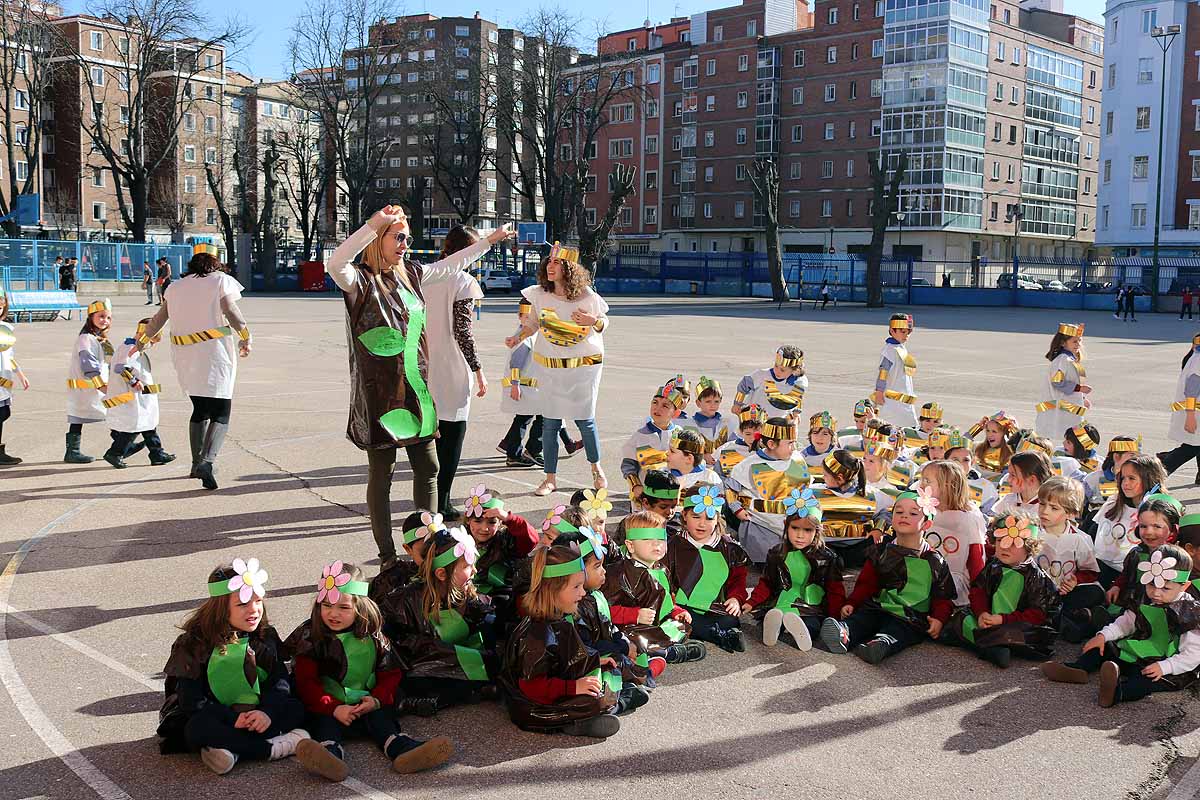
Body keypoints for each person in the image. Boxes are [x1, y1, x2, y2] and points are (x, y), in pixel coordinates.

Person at [324, 205, 512, 566]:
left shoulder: (412, 272)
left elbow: (450, 265)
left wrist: (490, 240)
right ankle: (387, 555)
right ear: (379, 240)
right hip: (379, 395)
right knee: (383, 474)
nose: (405, 245)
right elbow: (335, 263)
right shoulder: (358, 279)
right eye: (398, 237)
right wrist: (372, 224)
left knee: (429, 467)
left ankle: (429, 546)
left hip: (415, 390)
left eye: (408, 238)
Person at [284, 561, 452, 781]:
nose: (333, 614)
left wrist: (376, 700)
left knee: (383, 720)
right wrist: (334, 708)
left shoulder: (373, 634)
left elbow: (391, 673)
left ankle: (402, 749)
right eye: (326, 605)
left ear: (361, 607)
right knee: (324, 724)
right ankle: (329, 755)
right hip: (326, 703)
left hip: (366, 702)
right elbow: (306, 683)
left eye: (344, 607)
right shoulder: (312, 635)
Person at [157, 559, 310, 774]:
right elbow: (191, 700)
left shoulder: (264, 637)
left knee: (296, 707)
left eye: (257, 601)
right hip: (218, 714)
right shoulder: (194, 644)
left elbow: (279, 681)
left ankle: (230, 750)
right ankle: (273, 748)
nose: (254, 610)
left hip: (256, 712)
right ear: (220, 609)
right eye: (242, 604)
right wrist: (232, 718)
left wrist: (266, 712)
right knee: (196, 728)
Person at [135, 247, 250, 491]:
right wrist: (245, 335)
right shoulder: (220, 281)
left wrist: (142, 341)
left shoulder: (175, 286)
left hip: (184, 355)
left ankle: (196, 463)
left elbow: (158, 319)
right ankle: (207, 462)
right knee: (221, 410)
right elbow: (231, 311)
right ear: (214, 264)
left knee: (199, 408)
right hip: (214, 352)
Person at [1041, 544, 1200, 707]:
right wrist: (1103, 635)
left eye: (1166, 588)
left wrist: (1166, 666)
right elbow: (1127, 622)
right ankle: (1079, 669)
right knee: (1105, 647)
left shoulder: (1189, 612)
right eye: (1151, 585)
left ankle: (1116, 692)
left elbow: (1194, 654)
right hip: (1139, 651)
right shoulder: (1145, 597)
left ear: (1184, 586)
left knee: (1145, 682)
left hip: (1167, 663)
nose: (1156, 593)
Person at [508, 242, 609, 496]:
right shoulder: (539, 295)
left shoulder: (586, 295)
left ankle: (596, 469)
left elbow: (604, 322)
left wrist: (593, 321)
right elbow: (532, 324)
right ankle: (549, 478)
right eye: (549, 262)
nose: (550, 267)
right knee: (551, 423)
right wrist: (518, 337)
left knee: (585, 421)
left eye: (556, 263)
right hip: (551, 368)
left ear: (569, 268)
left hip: (582, 369)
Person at [820, 491, 956, 663]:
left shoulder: (933, 560)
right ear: (892, 518)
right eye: (899, 512)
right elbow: (866, 583)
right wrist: (852, 602)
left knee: (900, 630)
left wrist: (939, 618)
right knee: (863, 618)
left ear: (926, 524)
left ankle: (881, 644)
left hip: (910, 615)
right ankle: (844, 633)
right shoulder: (882, 551)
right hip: (880, 606)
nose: (904, 516)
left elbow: (943, 595)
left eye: (913, 513)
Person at [500, 545, 621, 738]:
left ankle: (602, 707)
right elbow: (532, 687)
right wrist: (574, 687)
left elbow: (566, 657)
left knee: (606, 671)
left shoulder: (558, 617)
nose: (583, 593)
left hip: (555, 686)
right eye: (576, 587)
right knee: (589, 700)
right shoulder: (536, 634)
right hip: (534, 703)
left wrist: (590, 661)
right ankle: (577, 722)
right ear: (552, 590)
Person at [384, 527, 499, 710]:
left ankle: (470, 689)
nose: (475, 570)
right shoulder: (408, 601)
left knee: (493, 657)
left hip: (450, 653)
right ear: (442, 574)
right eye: (468, 566)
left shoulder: (463, 592)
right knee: (423, 682)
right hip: (420, 664)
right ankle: (418, 701)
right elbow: (397, 647)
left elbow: (483, 621)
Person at [424, 226, 490, 520]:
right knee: (452, 437)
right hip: (451, 368)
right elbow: (462, 331)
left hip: (423, 364)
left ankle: (426, 496)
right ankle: (443, 500)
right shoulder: (462, 281)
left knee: (428, 437)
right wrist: (478, 369)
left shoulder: (424, 275)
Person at [947, 512, 1060, 668]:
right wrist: (982, 614)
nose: (1005, 547)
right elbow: (978, 591)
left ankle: (987, 646)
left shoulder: (1036, 578)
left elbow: (1037, 615)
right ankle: (992, 645)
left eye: (1013, 543)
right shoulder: (993, 565)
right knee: (961, 616)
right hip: (989, 620)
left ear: (1029, 547)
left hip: (1014, 624)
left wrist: (1002, 620)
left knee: (1018, 634)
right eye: (1001, 541)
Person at [742, 495, 845, 651]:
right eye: (795, 528)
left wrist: (834, 617)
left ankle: (799, 630)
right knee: (771, 616)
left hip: (811, 607)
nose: (800, 535)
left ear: (817, 531)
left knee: (812, 625)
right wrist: (752, 602)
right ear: (786, 526)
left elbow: (835, 589)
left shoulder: (827, 557)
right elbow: (767, 582)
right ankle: (773, 628)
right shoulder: (776, 553)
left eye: (807, 530)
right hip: (782, 602)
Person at [599, 511, 704, 663]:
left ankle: (659, 649)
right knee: (631, 639)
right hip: (630, 628)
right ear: (630, 545)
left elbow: (666, 601)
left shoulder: (662, 569)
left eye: (661, 539)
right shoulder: (619, 574)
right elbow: (603, 611)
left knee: (681, 624)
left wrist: (676, 611)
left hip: (656, 625)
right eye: (648, 539)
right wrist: (634, 615)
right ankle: (668, 653)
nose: (657, 544)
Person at [664, 486, 750, 653]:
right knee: (676, 619)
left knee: (730, 619)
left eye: (709, 518)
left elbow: (738, 580)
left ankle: (709, 631)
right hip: (682, 605)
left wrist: (735, 599)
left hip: (716, 607)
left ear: (717, 519)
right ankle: (719, 635)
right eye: (696, 517)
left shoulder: (730, 548)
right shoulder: (673, 545)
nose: (702, 524)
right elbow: (664, 578)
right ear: (684, 516)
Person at [496, 298, 581, 468]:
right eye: (526, 317)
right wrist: (515, 384)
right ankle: (531, 450)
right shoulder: (524, 338)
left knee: (523, 419)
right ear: (520, 317)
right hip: (525, 388)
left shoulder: (529, 336)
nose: (529, 321)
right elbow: (516, 363)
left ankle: (514, 452)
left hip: (530, 388)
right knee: (542, 416)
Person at [726, 416, 814, 563]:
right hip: (762, 524)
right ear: (772, 444)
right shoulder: (750, 464)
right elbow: (730, 488)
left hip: (794, 523)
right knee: (772, 561)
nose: (794, 447)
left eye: (794, 442)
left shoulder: (797, 458)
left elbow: (806, 486)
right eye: (790, 443)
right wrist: (737, 509)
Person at [1036, 477, 1105, 643]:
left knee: (1094, 593)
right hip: (1037, 591)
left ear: (1070, 513)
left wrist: (1075, 580)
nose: (1045, 511)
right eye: (1042, 504)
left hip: (1066, 592)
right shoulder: (1031, 532)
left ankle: (1068, 619)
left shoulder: (1080, 539)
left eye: (1053, 508)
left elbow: (1090, 572)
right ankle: (1076, 622)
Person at [101, 317, 175, 468]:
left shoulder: (131, 346)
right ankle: (115, 453)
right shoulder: (131, 348)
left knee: (148, 424)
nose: (153, 345)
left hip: (141, 397)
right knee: (134, 427)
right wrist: (134, 381)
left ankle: (156, 453)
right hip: (133, 396)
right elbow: (121, 367)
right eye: (153, 341)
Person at [919, 461, 987, 607]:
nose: (921, 484)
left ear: (947, 486)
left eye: (927, 480)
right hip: (922, 577)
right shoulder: (922, 511)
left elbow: (977, 562)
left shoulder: (969, 519)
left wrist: (979, 600)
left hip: (954, 584)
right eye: (921, 479)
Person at [1094, 455, 1166, 587]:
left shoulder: (1159, 512)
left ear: (1149, 479)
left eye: (1132, 478)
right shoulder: (1113, 502)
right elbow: (1093, 531)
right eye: (1123, 478)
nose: (1125, 483)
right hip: (1099, 565)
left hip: (1133, 573)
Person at [64, 298, 113, 463]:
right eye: (101, 316)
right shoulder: (85, 339)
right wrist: (102, 385)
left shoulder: (99, 338)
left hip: (96, 387)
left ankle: (121, 445)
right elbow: (88, 364)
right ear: (91, 317)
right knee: (79, 418)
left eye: (108, 317)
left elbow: (109, 361)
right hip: (88, 387)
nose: (104, 320)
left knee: (109, 413)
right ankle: (72, 451)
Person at [620, 377, 687, 497]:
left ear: (675, 413)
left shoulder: (680, 435)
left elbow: (686, 465)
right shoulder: (640, 435)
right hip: (645, 493)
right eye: (655, 403)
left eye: (665, 406)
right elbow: (628, 464)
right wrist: (635, 485)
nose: (657, 408)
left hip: (671, 494)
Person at [1035, 323, 1091, 440]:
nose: (1078, 345)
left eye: (1080, 341)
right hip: (1062, 409)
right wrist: (1079, 389)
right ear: (1063, 343)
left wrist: (1082, 398)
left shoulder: (1069, 359)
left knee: (1072, 435)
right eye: (1074, 341)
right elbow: (1057, 382)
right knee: (1068, 436)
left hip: (1070, 407)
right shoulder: (1062, 360)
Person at [1158, 333, 1200, 481]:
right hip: (1195, 414)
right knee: (1191, 447)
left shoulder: (1194, 358)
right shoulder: (1198, 361)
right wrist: (1190, 417)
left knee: (1195, 444)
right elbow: (1192, 390)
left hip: (1194, 413)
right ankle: (1156, 476)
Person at [732, 346, 807, 416]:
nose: (777, 371)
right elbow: (744, 385)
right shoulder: (762, 375)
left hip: (778, 422)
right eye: (776, 366)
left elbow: (797, 399)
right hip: (755, 418)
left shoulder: (800, 382)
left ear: (794, 371)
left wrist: (796, 415)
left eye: (782, 370)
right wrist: (737, 403)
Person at [0, 292, 31, 466]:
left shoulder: (6, 328)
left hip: (4, 378)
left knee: (4, 412)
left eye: (1, 304)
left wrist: (20, 374)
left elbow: (9, 355)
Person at [874, 313, 918, 428]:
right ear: (892, 331)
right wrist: (879, 391)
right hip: (893, 399)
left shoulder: (900, 347)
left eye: (908, 332)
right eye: (903, 332)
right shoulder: (890, 350)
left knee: (907, 427)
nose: (906, 335)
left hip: (904, 397)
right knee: (890, 427)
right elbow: (884, 371)